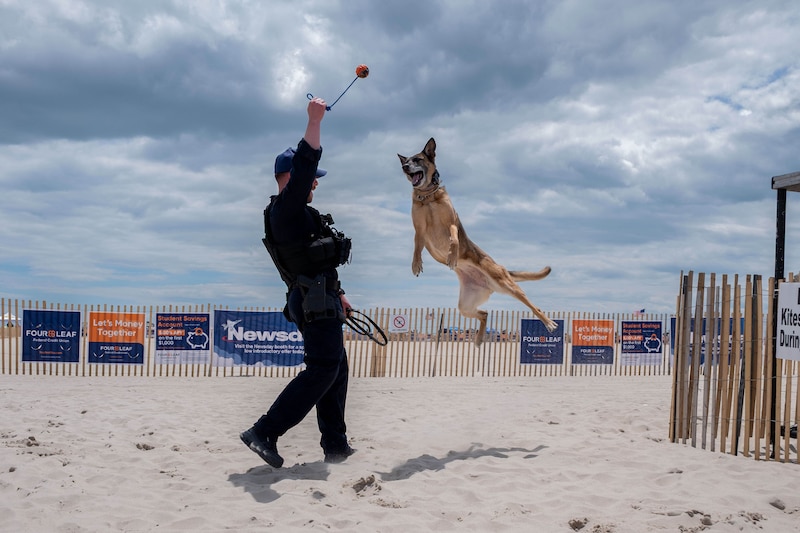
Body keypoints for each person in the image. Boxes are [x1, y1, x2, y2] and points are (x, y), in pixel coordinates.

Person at [240, 97, 355, 467]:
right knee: (323, 368)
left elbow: (312, 262)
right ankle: (264, 432)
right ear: (289, 179)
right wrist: (314, 122)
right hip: (312, 301)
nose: (315, 187)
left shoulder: (295, 213)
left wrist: (340, 295)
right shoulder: (285, 209)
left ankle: (335, 444)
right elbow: (306, 164)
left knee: (335, 367)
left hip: (320, 297)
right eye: (309, 182)